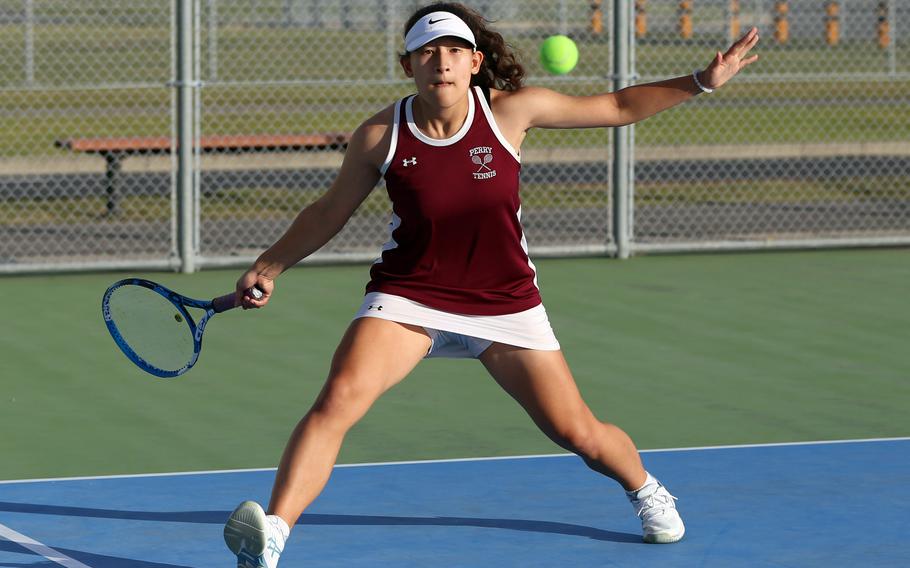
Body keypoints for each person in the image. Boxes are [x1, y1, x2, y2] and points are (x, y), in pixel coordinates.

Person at [222, 3, 759, 566]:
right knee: (337, 401)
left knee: (579, 433)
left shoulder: (509, 113)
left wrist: (702, 81)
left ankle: (646, 489)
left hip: (504, 301)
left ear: (475, 62)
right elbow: (329, 211)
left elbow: (619, 106)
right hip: (410, 295)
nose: (441, 62)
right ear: (408, 65)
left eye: (454, 51)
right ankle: (274, 534)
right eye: (427, 52)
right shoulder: (381, 135)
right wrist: (270, 265)